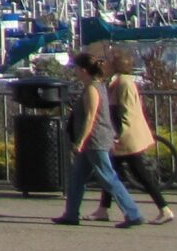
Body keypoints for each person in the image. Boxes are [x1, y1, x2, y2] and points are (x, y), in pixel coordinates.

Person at [54, 46, 142, 228]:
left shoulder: (93, 89)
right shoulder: (95, 86)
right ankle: (71, 213)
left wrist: (80, 141)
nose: (75, 72)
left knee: (108, 177)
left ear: (83, 70)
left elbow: (91, 117)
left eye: (77, 69)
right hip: (92, 141)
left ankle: (133, 213)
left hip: (95, 140)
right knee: (77, 178)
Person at [91, 45, 175, 225]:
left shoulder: (122, 83)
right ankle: (103, 209)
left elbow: (121, 111)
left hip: (126, 136)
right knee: (113, 171)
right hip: (129, 134)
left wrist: (116, 134)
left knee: (136, 174)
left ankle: (164, 208)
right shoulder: (125, 81)